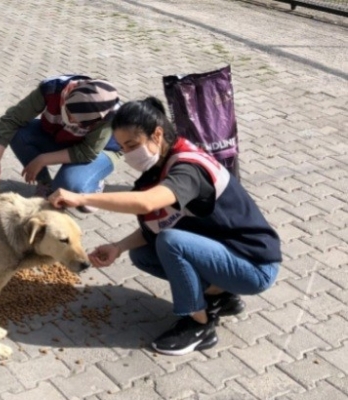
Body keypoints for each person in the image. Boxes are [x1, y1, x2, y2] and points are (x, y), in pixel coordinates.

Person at [47, 96, 281, 356]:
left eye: (132, 144)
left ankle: (198, 325)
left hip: (255, 265)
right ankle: (219, 295)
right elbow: (159, 222)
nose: (127, 154)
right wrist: (118, 246)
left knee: (171, 243)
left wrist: (82, 197)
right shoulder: (160, 166)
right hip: (229, 253)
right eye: (123, 147)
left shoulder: (188, 168)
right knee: (144, 254)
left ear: (157, 134)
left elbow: (147, 204)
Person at [0, 74, 123, 212]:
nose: (75, 123)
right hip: (63, 138)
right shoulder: (52, 89)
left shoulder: (107, 110)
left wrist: (42, 159)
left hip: (99, 152)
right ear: (66, 97)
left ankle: (93, 182)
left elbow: (88, 152)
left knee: (69, 186)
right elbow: (12, 120)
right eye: (71, 117)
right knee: (19, 133)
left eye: (82, 123)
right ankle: (45, 185)